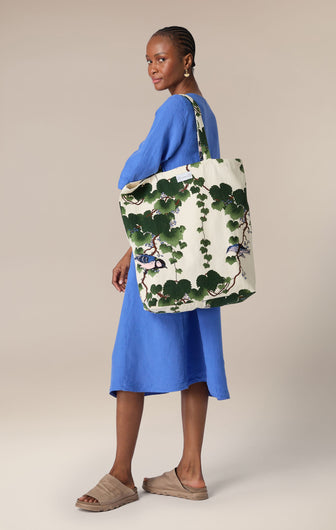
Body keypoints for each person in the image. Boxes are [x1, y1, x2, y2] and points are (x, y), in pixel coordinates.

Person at [75, 26, 230, 512]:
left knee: (131, 357)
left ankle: (121, 475)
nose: (153, 69)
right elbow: (183, 199)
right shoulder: (207, 114)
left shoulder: (172, 111)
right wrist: (129, 249)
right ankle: (190, 471)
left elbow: (135, 175)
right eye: (147, 61)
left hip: (163, 257)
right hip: (200, 259)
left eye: (161, 58)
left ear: (187, 60)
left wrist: (138, 250)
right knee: (197, 361)